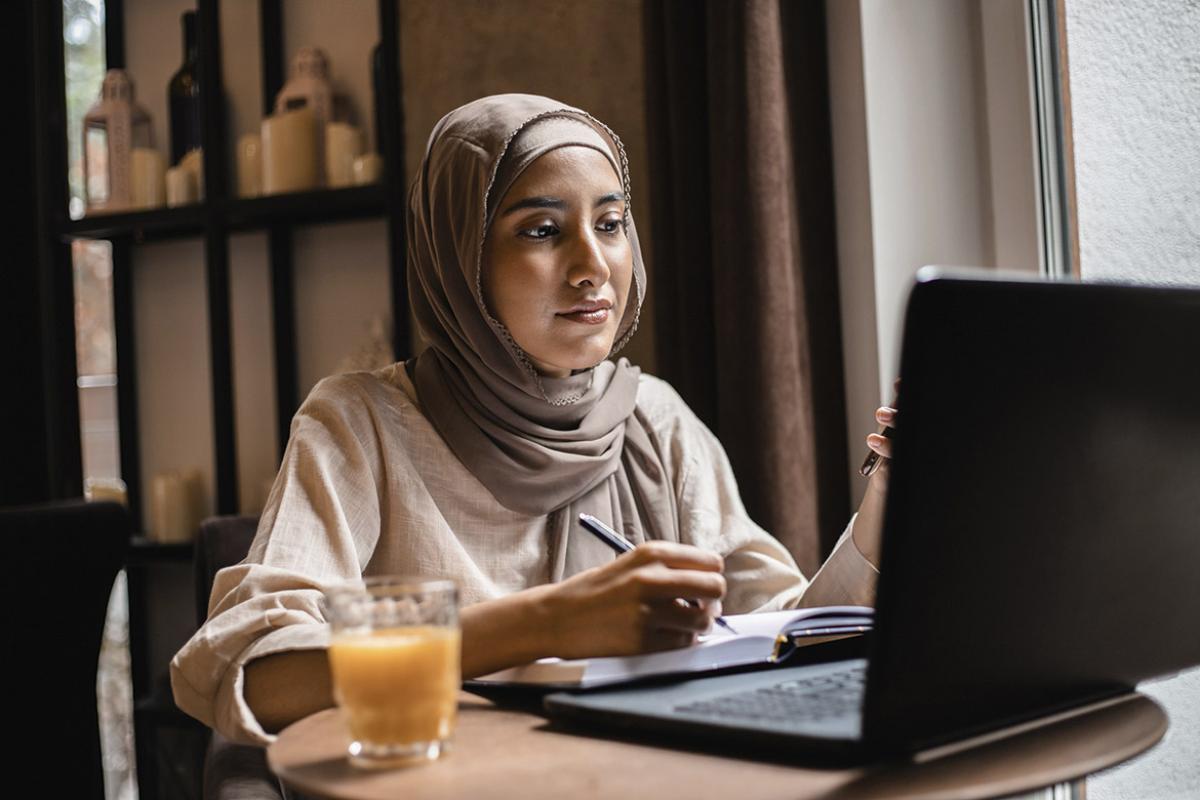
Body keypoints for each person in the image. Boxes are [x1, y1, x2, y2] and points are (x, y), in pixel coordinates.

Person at [170, 93, 897, 746]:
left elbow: (788, 633)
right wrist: (547, 624)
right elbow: (258, 673)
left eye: (610, 224)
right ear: (462, 258)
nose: (594, 266)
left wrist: (888, 497)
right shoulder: (361, 426)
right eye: (543, 231)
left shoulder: (655, 420)